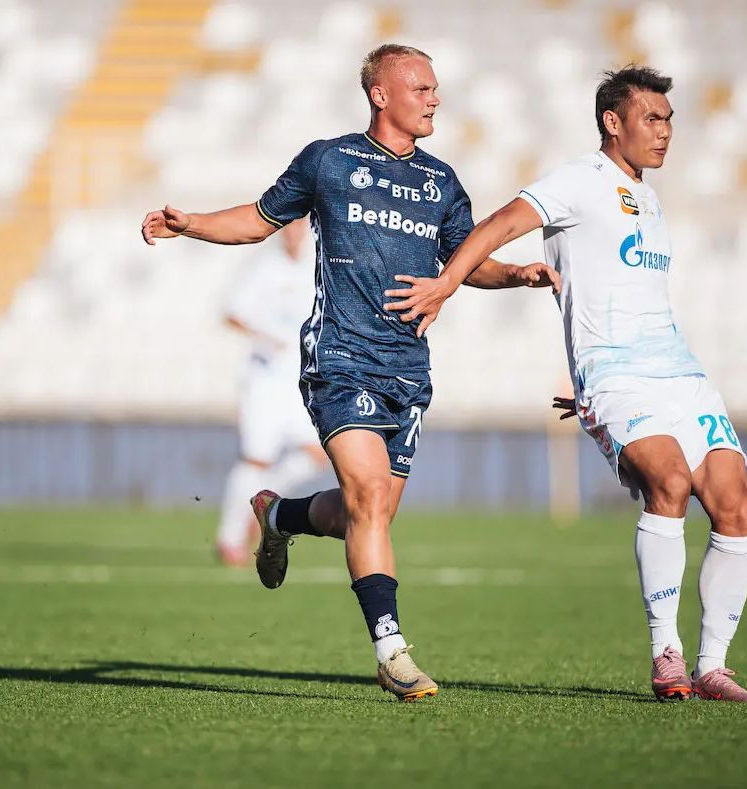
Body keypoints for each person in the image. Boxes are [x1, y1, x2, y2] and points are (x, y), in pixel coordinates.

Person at [142, 44, 558, 700]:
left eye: (436, 88)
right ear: (380, 94)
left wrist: (515, 274)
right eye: (421, 88)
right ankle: (392, 651)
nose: (435, 98)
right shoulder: (330, 161)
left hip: (407, 369)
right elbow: (259, 219)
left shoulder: (441, 181)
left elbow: (465, 262)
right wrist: (190, 222)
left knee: (369, 513)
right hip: (340, 357)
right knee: (366, 495)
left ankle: (280, 516)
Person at [383, 66, 747, 703]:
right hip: (616, 374)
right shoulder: (579, 181)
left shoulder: (648, 196)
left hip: (679, 373)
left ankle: (715, 667)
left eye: (669, 120)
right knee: (669, 483)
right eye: (652, 119)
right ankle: (667, 654)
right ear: (613, 123)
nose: (665, 132)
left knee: (737, 505)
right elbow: (499, 224)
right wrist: (447, 284)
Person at [216, 219, 329, 566]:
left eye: (298, 227)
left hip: (297, 381)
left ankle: (262, 504)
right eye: (288, 227)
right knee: (257, 458)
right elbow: (231, 314)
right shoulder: (265, 268)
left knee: (317, 454)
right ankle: (229, 538)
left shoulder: (315, 267)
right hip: (264, 381)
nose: (293, 233)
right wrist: (266, 337)